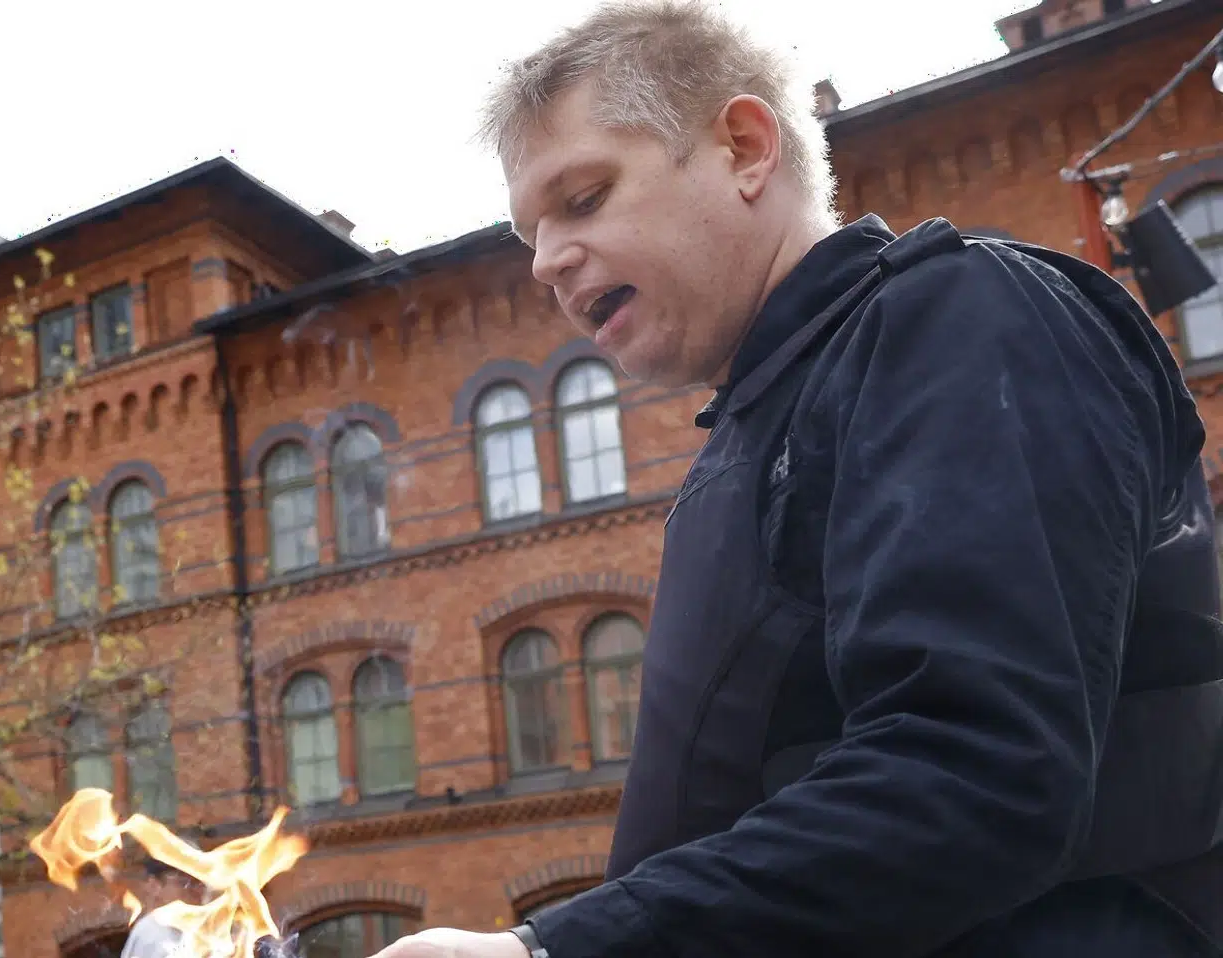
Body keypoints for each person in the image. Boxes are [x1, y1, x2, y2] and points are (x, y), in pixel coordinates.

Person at [369, 2, 1223, 957]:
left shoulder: (958, 317)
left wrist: (553, 951)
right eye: (527, 231)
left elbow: (976, 770)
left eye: (583, 198)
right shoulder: (769, 416)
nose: (544, 262)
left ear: (744, 148)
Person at [120, 860, 203, 958]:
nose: (193, 890)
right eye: (183, 882)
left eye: (197, 882)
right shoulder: (150, 932)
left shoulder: (194, 930)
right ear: (154, 885)